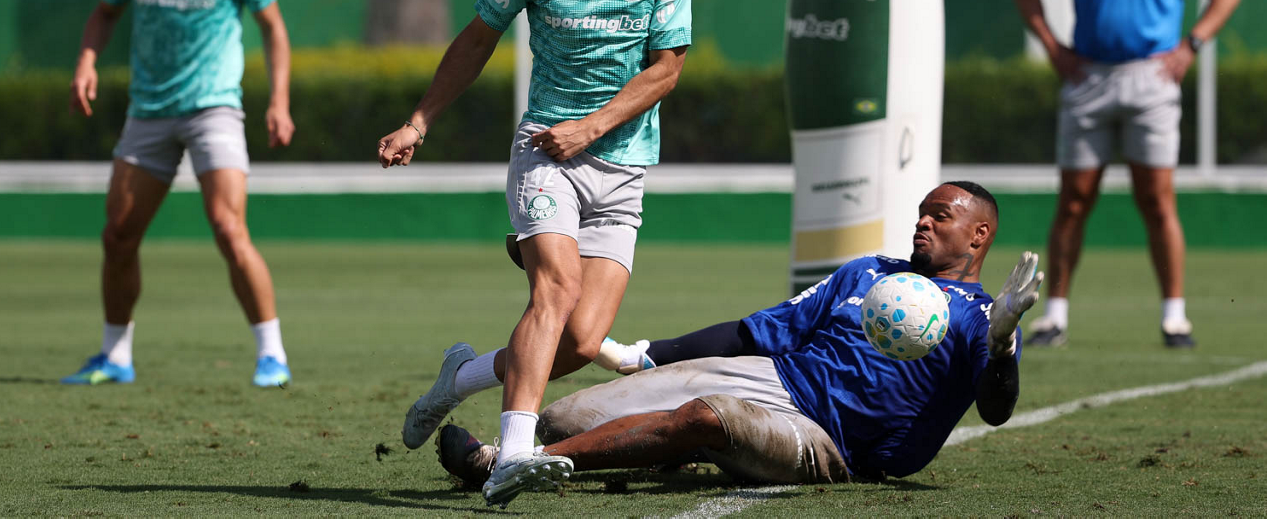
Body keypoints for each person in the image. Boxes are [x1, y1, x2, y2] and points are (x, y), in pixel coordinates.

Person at [375, 0, 692, 506]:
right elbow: (475, 39)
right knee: (553, 290)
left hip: (621, 165)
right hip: (545, 153)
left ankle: (458, 378)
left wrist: (596, 127)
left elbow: (666, 69)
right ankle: (514, 452)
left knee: (579, 342)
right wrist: (418, 120)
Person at [434, 182, 1043, 501]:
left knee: (705, 417)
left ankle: (509, 464)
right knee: (565, 417)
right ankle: (645, 447)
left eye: (941, 216)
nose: (923, 222)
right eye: (922, 211)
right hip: (776, 379)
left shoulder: (983, 316)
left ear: (979, 233)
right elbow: (762, 330)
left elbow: (995, 411)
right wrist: (647, 354)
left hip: (831, 443)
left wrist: (1000, 344)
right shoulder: (868, 272)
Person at [62, 0, 296, 388]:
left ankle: (272, 355)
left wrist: (278, 100)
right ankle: (115, 356)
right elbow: (104, 12)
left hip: (214, 109)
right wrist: (86, 62)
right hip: (149, 113)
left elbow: (274, 28)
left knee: (228, 227)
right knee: (118, 236)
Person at [1012, 0, 1241, 349]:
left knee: (1156, 200)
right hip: (1087, 79)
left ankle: (1175, 316)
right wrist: (1053, 47)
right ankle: (1055, 316)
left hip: (1152, 82)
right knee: (1073, 202)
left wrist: (1191, 46)